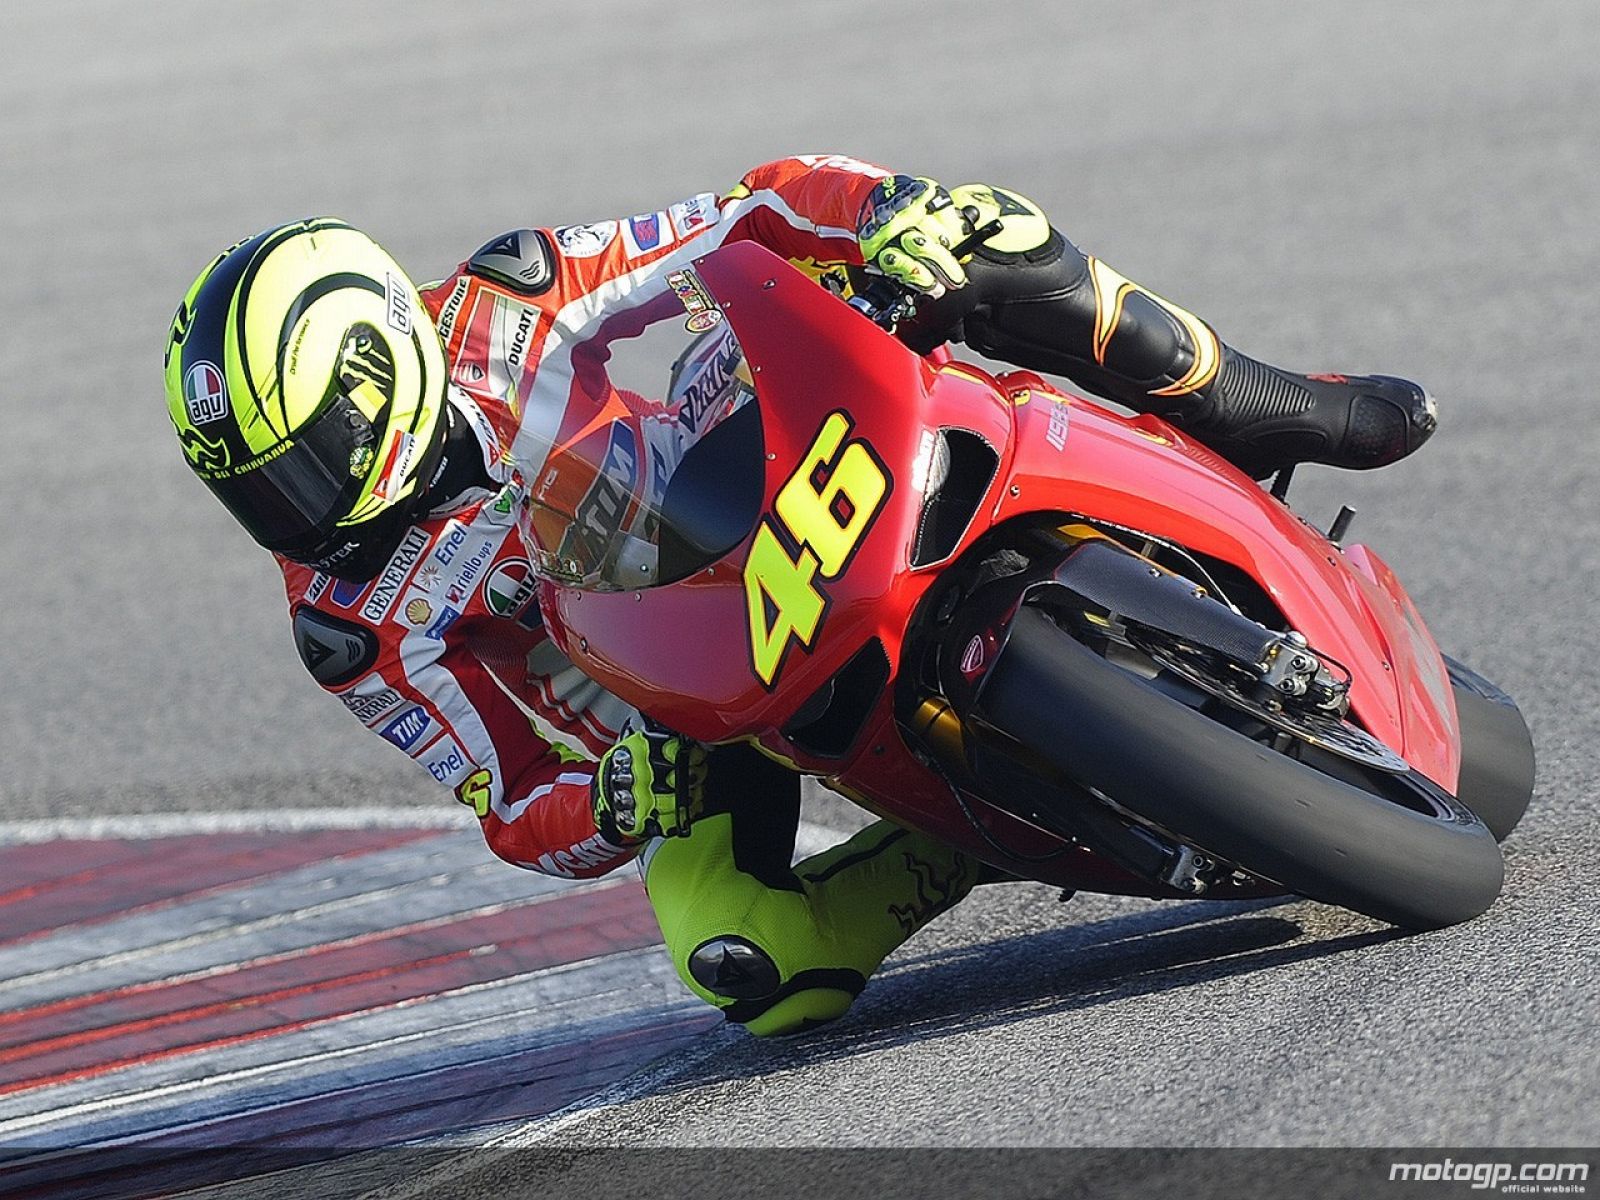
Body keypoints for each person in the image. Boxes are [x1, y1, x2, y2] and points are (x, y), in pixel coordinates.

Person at [163, 155, 1436, 1036]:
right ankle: (958, 839)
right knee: (746, 961)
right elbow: (510, 799)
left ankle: (1261, 402)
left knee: (981, 230)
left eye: (301, 467)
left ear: (380, 366)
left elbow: (740, 217)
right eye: (257, 495)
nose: (295, 515)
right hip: (682, 688)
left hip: (752, 482)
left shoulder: (508, 303)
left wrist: (881, 213)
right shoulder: (347, 626)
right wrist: (607, 803)